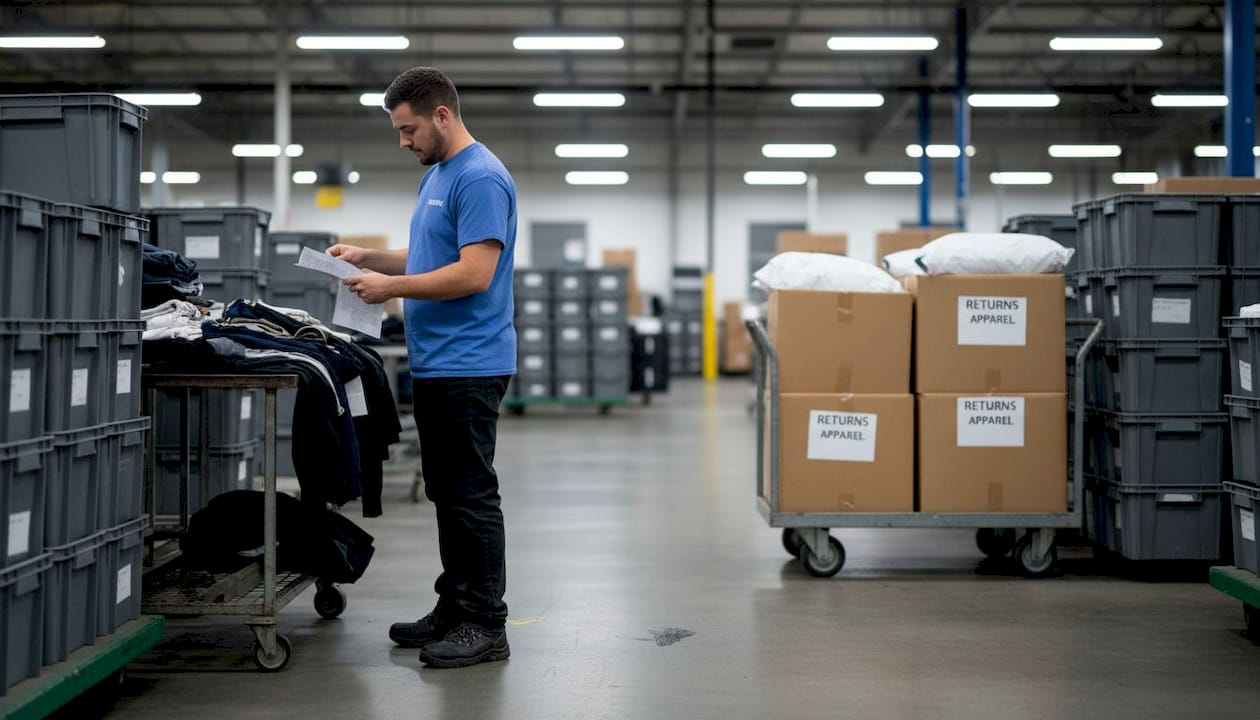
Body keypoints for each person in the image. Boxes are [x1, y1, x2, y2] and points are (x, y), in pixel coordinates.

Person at [328, 67, 517, 669]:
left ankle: (486, 623)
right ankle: (456, 606)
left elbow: (474, 273)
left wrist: (391, 288)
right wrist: (371, 258)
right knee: (447, 492)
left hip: (470, 362)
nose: (403, 141)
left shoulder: (480, 176)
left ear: (441, 115)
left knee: (469, 495)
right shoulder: (438, 176)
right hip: (440, 362)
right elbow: (434, 255)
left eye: (408, 129)